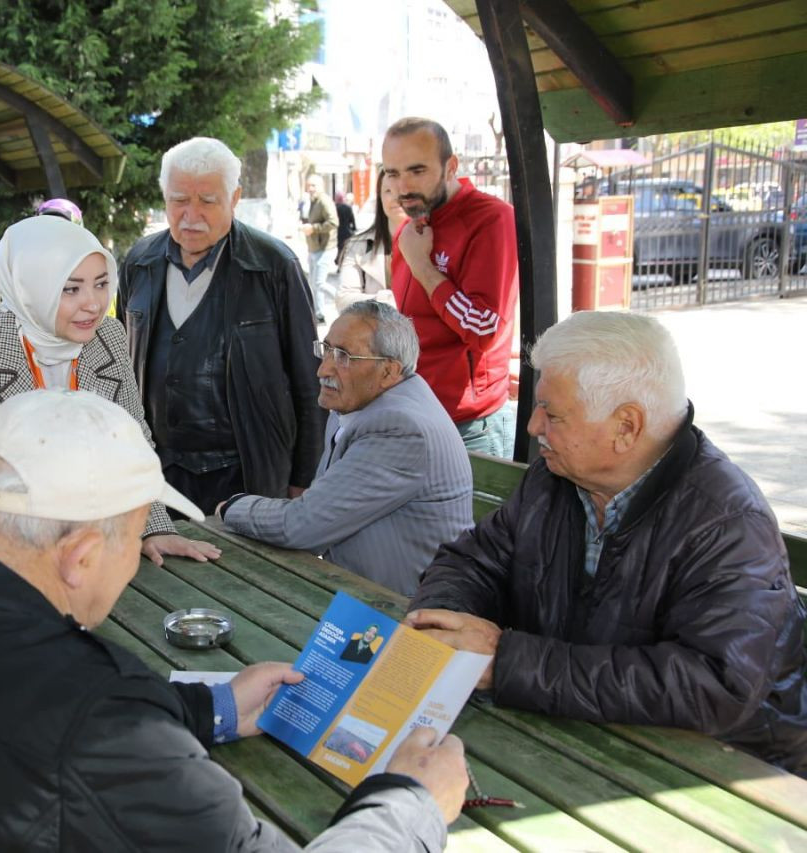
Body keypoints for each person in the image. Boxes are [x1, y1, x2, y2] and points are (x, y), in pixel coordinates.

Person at [0, 388, 468, 850]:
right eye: (132, 534)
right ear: (82, 555)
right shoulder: (97, 715)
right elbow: (79, 728)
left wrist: (216, 706)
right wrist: (410, 802)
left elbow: (10, 716)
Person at [406, 311, 807, 775]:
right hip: (582, 730)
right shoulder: (555, 477)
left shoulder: (727, 522)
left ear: (626, 427)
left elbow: (716, 685)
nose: (533, 427)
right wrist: (442, 628)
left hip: (721, 767)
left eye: (552, 414)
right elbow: (474, 560)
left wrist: (507, 662)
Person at [0, 215, 217, 565]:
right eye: (71, 289)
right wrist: (16, 552)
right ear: (30, 287)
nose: (94, 304)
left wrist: (154, 527)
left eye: (101, 284)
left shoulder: (109, 337)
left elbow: (132, 449)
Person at [120, 137, 324, 515]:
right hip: (157, 472)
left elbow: (310, 380)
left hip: (247, 474)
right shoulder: (139, 263)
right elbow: (119, 364)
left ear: (234, 198)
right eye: (179, 200)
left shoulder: (273, 266)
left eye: (208, 201)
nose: (191, 214)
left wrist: (304, 478)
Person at [218, 302, 472, 596]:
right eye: (326, 349)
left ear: (389, 370)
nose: (323, 369)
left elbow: (302, 526)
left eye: (344, 357)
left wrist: (232, 507)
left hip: (399, 615)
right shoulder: (363, 401)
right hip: (356, 591)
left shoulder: (400, 428)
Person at [383, 117, 519, 458]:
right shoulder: (410, 229)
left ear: (450, 167)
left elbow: (484, 328)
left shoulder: (491, 219)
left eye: (417, 171)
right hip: (416, 413)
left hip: (472, 425)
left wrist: (423, 268)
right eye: (393, 173)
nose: (403, 187)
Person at [337, 171, 407, 310]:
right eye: (388, 191)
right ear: (380, 197)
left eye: (403, 190)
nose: (396, 197)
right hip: (376, 329)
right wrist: (386, 300)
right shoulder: (358, 245)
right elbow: (344, 300)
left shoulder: (436, 243)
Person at [301, 174, 338, 322]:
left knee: (319, 283)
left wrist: (313, 228)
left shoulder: (324, 201)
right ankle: (319, 314)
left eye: (313, 185)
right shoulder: (312, 201)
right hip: (314, 249)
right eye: (308, 186)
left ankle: (344, 299)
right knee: (314, 284)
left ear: (321, 186)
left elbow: (334, 222)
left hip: (325, 248)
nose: (310, 189)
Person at [334, 190, 357, 267]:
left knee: (339, 248)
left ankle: (339, 261)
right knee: (345, 249)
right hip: (347, 231)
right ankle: (341, 263)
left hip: (338, 232)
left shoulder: (335, 208)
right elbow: (352, 221)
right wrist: (354, 229)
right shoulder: (348, 208)